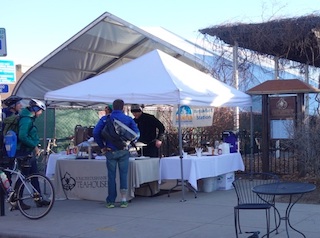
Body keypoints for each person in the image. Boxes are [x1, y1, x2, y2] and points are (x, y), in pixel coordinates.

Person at [93, 99, 139, 208]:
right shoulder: (128, 119)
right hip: (124, 150)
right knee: (123, 175)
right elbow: (136, 134)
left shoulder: (105, 119)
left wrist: (102, 146)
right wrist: (129, 141)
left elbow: (95, 132)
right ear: (123, 107)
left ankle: (111, 201)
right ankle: (123, 199)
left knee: (111, 176)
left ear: (112, 107)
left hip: (110, 150)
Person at [15, 98, 50, 208]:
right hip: (24, 152)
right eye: (40, 110)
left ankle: (38, 198)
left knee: (34, 176)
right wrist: (34, 146)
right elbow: (22, 136)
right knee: (23, 177)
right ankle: (16, 200)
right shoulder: (26, 120)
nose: (41, 113)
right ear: (35, 109)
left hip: (28, 152)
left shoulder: (29, 119)